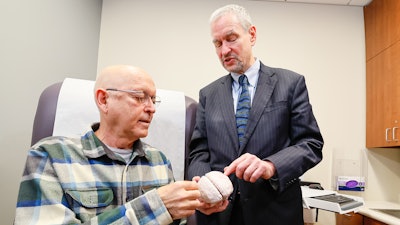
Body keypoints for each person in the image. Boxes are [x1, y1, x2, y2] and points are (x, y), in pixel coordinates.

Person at [187, 4, 324, 225]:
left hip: (273, 211)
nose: (224, 51)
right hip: (219, 215)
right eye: (217, 43)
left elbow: (311, 143)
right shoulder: (208, 94)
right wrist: (202, 182)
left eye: (231, 38)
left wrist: (271, 166)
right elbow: (198, 151)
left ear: (251, 35)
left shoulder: (290, 83)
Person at [15, 65, 203, 225]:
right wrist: (157, 206)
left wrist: (195, 204)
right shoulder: (51, 156)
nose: (151, 108)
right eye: (139, 97)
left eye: (153, 100)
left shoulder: (158, 161)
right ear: (104, 100)